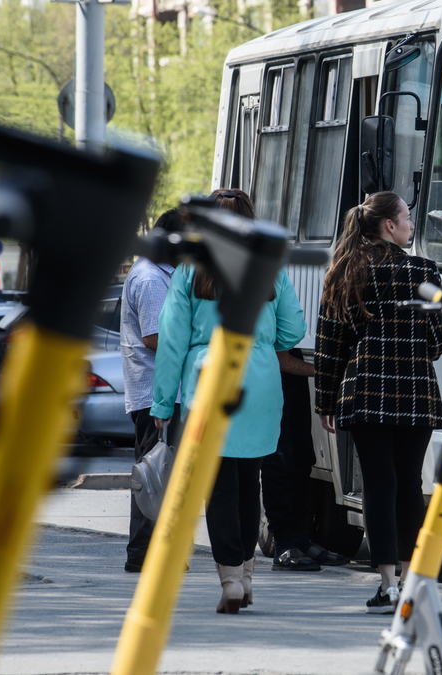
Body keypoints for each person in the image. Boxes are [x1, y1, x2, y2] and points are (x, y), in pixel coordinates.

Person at [150, 189, 306, 614]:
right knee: (249, 479)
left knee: (217, 486)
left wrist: (163, 404)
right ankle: (249, 577)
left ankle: (231, 580)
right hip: (259, 380)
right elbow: (294, 329)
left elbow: (172, 341)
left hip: (208, 378)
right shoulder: (270, 267)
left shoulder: (190, 269)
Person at [314, 191, 442, 614]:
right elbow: (439, 339)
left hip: (366, 394)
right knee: (410, 485)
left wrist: (326, 401)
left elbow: (330, 345)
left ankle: (387, 584)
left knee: (378, 486)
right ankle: (412, 584)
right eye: (407, 217)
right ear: (389, 225)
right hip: (415, 395)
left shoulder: (344, 272)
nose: (412, 224)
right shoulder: (424, 271)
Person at [120, 208, 183, 573]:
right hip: (157, 394)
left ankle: (151, 551)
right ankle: (142, 553)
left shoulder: (157, 273)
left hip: (158, 391)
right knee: (154, 474)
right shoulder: (150, 278)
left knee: (159, 471)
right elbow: (156, 337)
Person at [261, 349, 351, 571]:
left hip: (292, 367)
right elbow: (281, 359)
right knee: (279, 461)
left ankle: (300, 538)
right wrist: (327, 372)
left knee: (302, 460)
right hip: (270, 372)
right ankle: (283, 544)